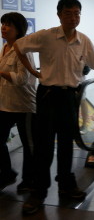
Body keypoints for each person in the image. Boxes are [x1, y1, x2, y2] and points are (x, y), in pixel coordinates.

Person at [14, 0, 94, 215]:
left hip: (70, 97)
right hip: (48, 95)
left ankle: (66, 186)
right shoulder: (46, 36)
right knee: (43, 147)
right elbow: (19, 46)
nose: (74, 17)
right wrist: (33, 72)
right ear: (59, 15)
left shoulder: (84, 41)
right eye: (69, 13)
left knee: (65, 144)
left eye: (77, 13)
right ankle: (38, 192)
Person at [0, 12, 36, 193]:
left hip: (24, 105)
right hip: (5, 104)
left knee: (29, 146)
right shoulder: (5, 47)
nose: (3, 28)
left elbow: (22, 78)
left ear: (18, 29)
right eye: (3, 24)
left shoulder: (24, 50)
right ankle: (6, 173)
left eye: (8, 25)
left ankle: (28, 181)